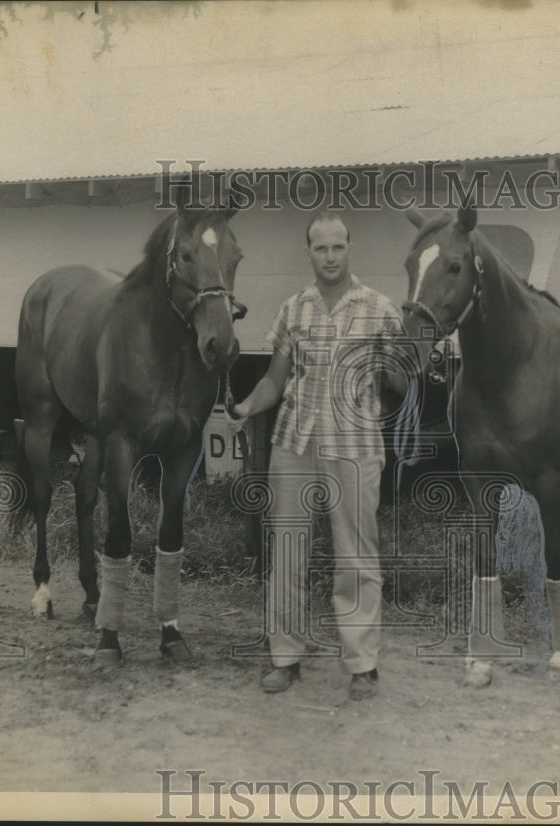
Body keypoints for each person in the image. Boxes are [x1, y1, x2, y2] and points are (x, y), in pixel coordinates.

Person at [229, 211, 407, 700]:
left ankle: (362, 665)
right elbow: (274, 381)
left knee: (356, 557)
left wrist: (404, 359)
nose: (329, 257)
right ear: (308, 252)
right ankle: (285, 657)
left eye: (337, 247)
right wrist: (245, 406)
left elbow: (400, 384)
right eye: (320, 248)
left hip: (355, 449)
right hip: (294, 443)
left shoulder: (381, 309)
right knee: (286, 553)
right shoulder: (294, 310)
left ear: (351, 249)